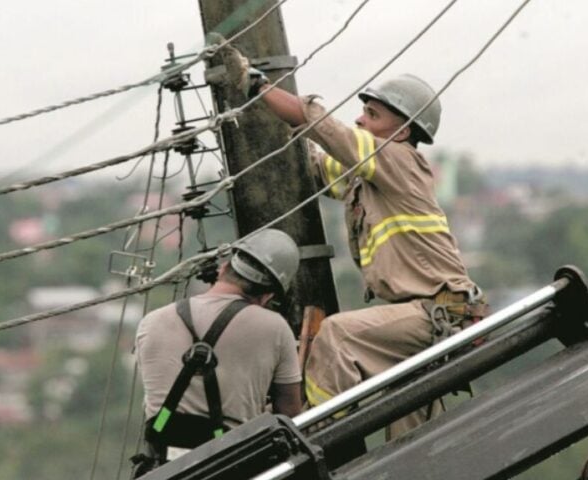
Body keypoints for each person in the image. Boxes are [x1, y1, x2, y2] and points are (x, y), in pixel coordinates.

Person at [225, 48, 487, 442]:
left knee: (338, 336)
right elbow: (319, 164)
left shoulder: (399, 160)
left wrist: (257, 86)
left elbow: (326, 129)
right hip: (422, 317)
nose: (361, 119)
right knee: (408, 427)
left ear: (401, 132)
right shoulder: (372, 178)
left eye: (374, 116)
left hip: (436, 313)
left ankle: (317, 434)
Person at [132, 228, 303, 476]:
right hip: (231, 464)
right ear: (267, 296)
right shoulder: (275, 328)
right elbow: (289, 414)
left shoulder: (152, 321)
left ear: (223, 269)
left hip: (165, 467)